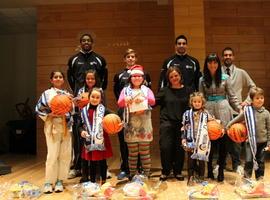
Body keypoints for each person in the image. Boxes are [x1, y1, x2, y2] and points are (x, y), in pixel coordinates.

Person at [67, 33, 107, 178]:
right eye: (83, 40)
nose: (86, 42)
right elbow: (70, 78)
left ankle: (99, 168)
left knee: (99, 133)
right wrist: (77, 91)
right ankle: (78, 167)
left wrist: (97, 92)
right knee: (80, 134)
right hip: (80, 101)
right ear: (80, 43)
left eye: (88, 40)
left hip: (97, 100)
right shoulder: (73, 59)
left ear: (92, 43)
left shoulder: (99, 59)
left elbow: (104, 79)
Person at [199, 53, 241, 182]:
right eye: (210, 62)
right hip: (209, 111)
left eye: (215, 62)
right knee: (210, 143)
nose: (213, 65)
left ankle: (221, 169)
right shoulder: (202, 79)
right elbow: (201, 98)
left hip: (224, 110)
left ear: (218, 63)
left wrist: (239, 108)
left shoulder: (225, 77)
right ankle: (210, 170)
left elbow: (232, 96)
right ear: (206, 64)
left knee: (223, 143)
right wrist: (202, 112)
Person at [113, 49, 151, 180]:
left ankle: (144, 172)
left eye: (133, 56)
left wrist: (143, 102)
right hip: (128, 117)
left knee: (143, 147)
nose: (136, 78)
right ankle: (129, 171)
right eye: (128, 56)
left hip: (143, 118)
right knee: (129, 147)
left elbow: (151, 99)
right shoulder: (122, 82)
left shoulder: (145, 82)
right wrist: (125, 102)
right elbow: (118, 99)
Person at [35, 70, 72, 193]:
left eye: (60, 77)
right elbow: (39, 108)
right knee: (52, 154)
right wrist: (49, 114)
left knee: (65, 155)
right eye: (55, 77)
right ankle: (48, 182)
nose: (58, 79)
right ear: (51, 80)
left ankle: (60, 181)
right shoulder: (46, 93)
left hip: (66, 126)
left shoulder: (67, 94)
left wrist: (74, 104)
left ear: (63, 79)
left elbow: (72, 111)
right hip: (52, 126)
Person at [221, 47, 256, 172]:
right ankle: (221, 164)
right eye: (225, 55)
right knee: (222, 139)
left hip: (237, 111)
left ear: (233, 57)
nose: (228, 57)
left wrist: (247, 102)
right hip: (223, 110)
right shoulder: (218, 72)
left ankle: (236, 164)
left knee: (236, 138)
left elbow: (253, 87)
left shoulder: (241, 72)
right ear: (222, 57)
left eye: (230, 55)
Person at [226, 87, 270, 180]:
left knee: (261, 161)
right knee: (249, 161)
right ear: (252, 100)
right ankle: (247, 179)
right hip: (249, 142)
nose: (260, 100)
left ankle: (259, 179)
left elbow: (269, 129)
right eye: (257, 98)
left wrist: (269, 143)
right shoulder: (247, 111)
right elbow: (236, 119)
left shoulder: (266, 113)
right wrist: (227, 126)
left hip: (263, 143)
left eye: (261, 98)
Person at [155, 67, 191, 181]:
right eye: (171, 77)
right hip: (167, 123)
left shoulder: (188, 90)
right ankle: (165, 171)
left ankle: (178, 171)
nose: (174, 78)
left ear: (180, 76)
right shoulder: (164, 91)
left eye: (176, 75)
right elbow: (152, 103)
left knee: (179, 148)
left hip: (182, 124)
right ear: (168, 79)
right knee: (165, 147)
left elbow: (193, 106)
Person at [79, 87, 113, 184]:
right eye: (93, 97)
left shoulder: (104, 110)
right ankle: (92, 182)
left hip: (101, 139)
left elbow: (114, 117)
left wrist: (117, 123)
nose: (94, 99)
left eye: (97, 97)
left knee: (102, 161)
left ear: (101, 99)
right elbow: (80, 125)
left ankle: (104, 182)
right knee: (92, 161)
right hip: (89, 139)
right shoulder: (84, 111)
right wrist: (81, 131)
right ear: (89, 97)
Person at [182, 92, 214, 186]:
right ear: (191, 102)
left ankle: (201, 177)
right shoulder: (187, 114)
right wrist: (183, 138)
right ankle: (190, 177)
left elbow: (213, 125)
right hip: (190, 140)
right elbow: (183, 127)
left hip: (202, 142)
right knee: (190, 160)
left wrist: (219, 126)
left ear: (202, 102)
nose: (197, 103)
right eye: (194, 101)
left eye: (199, 101)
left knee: (201, 161)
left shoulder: (206, 114)